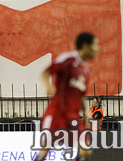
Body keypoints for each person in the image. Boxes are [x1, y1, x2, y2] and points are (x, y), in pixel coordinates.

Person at [35, 32, 99, 161]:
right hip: (57, 112)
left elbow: (80, 94)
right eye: (95, 45)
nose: (98, 49)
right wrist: (49, 86)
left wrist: (85, 112)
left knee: (86, 151)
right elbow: (45, 73)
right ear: (86, 46)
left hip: (73, 116)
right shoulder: (68, 59)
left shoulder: (85, 70)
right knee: (44, 152)